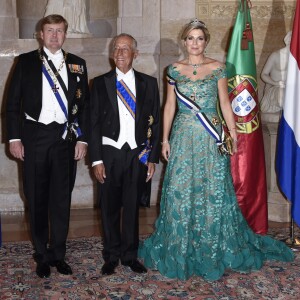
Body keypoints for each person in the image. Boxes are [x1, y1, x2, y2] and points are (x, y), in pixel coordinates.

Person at [138, 19, 294, 281]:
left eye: (199, 38)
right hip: (184, 136)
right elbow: (169, 107)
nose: (195, 43)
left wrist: (232, 134)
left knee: (213, 189)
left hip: (211, 137)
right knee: (181, 188)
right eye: (190, 38)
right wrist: (164, 140)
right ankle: (182, 246)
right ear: (184, 41)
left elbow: (224, 102)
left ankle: (212, 246)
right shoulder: (173, 70)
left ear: (205, 41)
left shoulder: (218, 68)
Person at [6, 14, 89, 278]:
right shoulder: (26, 62)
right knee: (36, 197)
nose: (55, 36)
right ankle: (41, 254)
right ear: (41, 34)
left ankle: (58, 253)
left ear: (66, 34)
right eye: (49, 31)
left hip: (66, 138)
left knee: (61, 198)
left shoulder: (78, 64)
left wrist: (83, 139)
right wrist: (14, 138)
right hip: (35, 137)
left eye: (60, 31)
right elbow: (11, 104)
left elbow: (84, 107)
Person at [89, 33, 160, 276]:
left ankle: (130, 256)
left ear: (135, 54)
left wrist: (151, 158)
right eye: (116, 48)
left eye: (125, 49)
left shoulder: (149, 84)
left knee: (132, 206)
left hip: (137, 154)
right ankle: (111, 255)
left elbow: (156, 123)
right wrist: (96, 159)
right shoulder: (99, 83)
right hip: (110, 153)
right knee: (108, 206)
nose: (120, 53)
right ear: (111, 54)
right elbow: (94, 123)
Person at [260, 31, 292, 115]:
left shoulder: (296, 58)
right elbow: (263, 74)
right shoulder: (276, 55)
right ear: (288, 40)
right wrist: (275, 83)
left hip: (291, 87)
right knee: (283, 97)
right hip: (275, 87)